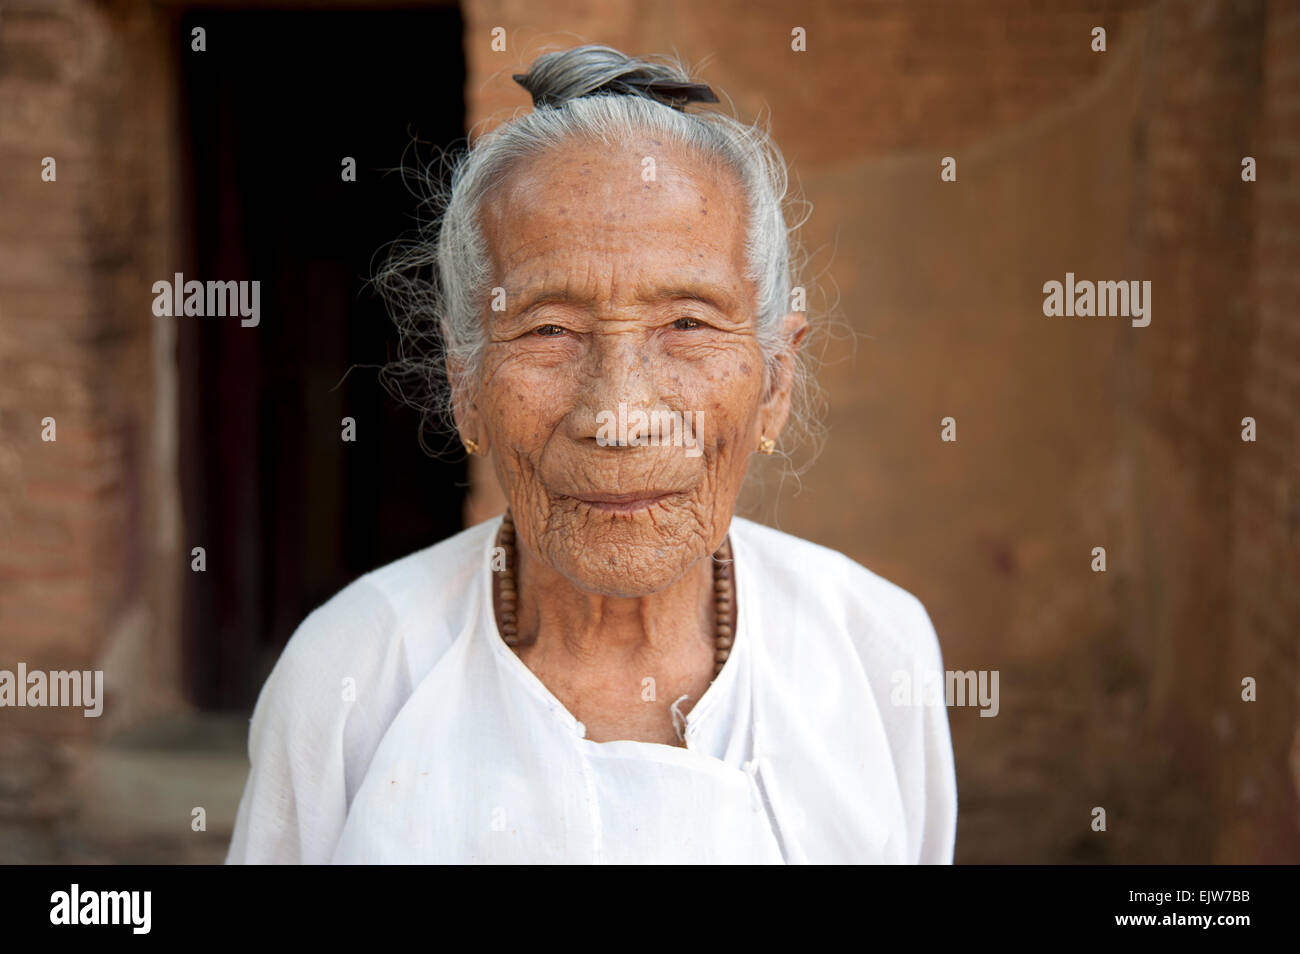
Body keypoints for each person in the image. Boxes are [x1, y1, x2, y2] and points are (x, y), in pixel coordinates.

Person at [227, 43, 957, 864]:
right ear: (465, 383)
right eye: (549, 330)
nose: (618, 414)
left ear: (776, 381)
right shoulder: (352, 673)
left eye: (687, 324)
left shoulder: (872, 650)